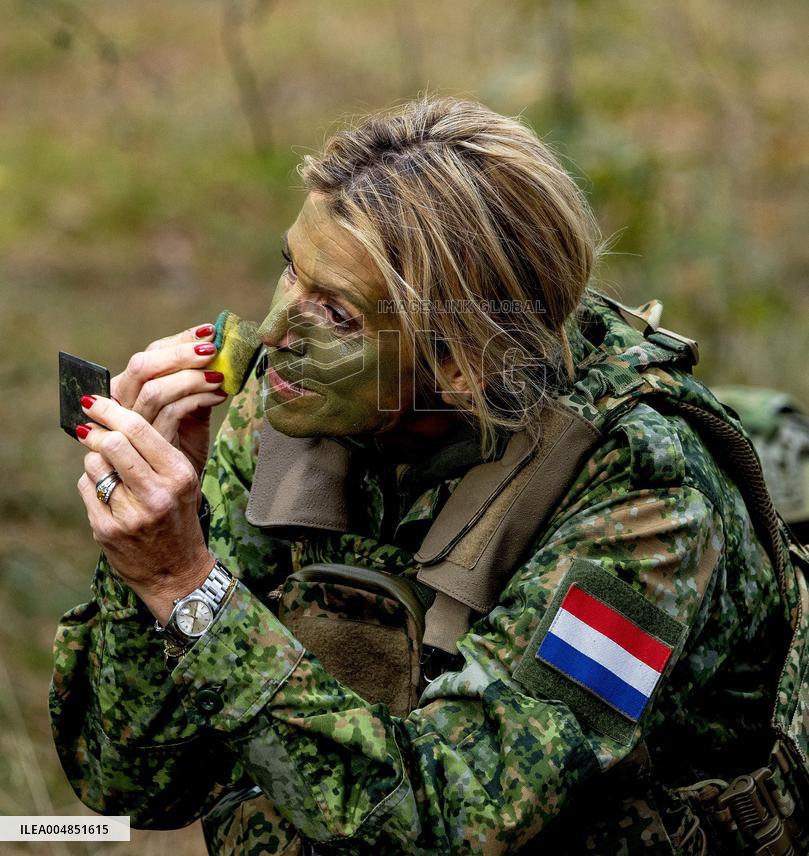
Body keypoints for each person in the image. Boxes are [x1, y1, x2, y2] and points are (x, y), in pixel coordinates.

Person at [49, 97, 801, 854]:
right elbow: (134, 786)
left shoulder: (648, 502)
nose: (273, 330)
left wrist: (188, 586)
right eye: (290, 269)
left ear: (462, 362)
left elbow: (457, 821)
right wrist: (145, 567)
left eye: (337, 313)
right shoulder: (292, 412)